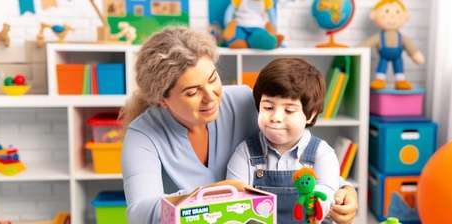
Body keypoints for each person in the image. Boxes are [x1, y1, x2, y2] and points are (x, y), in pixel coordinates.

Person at [121, 26, 358, 224]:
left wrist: (342, 188)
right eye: (192, 92)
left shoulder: (241, 101)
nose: (211, 97)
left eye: (213, 79)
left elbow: (288, 149)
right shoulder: (143, 134)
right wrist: (216, 194)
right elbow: (140, 213)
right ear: (162, 100)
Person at [226, 58, 340, 223]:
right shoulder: (245, 153)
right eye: (268, 107)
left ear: (311, 114)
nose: (276, 118)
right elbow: (234, 197)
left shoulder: (322, 153)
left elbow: (327, 189)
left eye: (289, 110)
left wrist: (319, 204)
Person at [360, 0, 425, 90]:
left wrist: (415, 55)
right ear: (374, 15)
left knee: (399, 66)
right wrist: (357, 50)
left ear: (405, 17)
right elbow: (367, 43)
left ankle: (400, 81)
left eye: (397, 12)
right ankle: (380, 80)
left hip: (397, 57)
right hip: (383, 57)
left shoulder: (402, 38)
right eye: (386, 12)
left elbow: (411, 47)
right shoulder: (378, 37)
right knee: (382, 66)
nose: (392, 16)